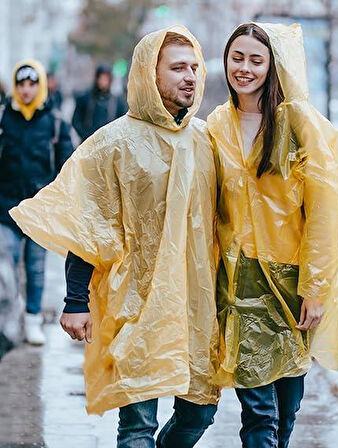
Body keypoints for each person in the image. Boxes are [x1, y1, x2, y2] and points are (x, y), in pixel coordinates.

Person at [10, 26, 219, 448]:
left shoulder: (204, 141)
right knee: (138, 425)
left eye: (195, 67)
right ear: (149, 73)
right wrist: (75, 301)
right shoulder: (113, 144)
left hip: (194, 305)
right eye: (178, 67)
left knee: (200, 411)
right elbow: (90, 226)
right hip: (134, 305)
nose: (190, 76)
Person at [207, 22, 338, 447]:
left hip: (291, 278)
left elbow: (323, 212)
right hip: (238, 279)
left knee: (288, 406)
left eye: (255, 59)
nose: (244, 68)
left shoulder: (301, 124)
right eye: (237, 57)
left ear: (272, 66)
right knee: (259, 411)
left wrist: (315, 287)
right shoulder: (216, 124)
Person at [0, 60, 73, 345]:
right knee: (7, 263)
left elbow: (68, 166)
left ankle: (32, 319)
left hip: (39, 212)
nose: (26, 90)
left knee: (35, 269)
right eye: (21, 84)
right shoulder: (4, 120)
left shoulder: (54, 122)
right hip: (6, 210)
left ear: (40, 85)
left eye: (32, 84)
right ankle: (12, 312)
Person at [72, 63, 127, 142]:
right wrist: (85, 136)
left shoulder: (117, 102)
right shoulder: (85, 98)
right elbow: (76, 120)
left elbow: (122, 123)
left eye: (106, 79)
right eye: (101, 78)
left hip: (108, 144)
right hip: (88, 143)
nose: (103, 81)